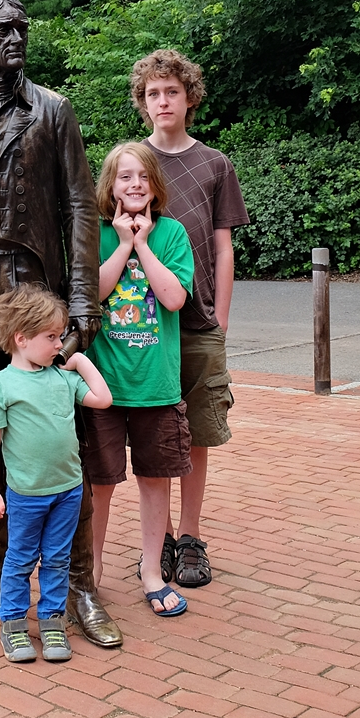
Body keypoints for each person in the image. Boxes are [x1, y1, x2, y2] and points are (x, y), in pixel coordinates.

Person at [0, 0, 122, 647]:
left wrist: (82, 303)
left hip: (31, 283)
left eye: (22, 29)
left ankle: (79, 585)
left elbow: (79, 208)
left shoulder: (54, 110)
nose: (17, 38)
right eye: (3, 30)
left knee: (60, 430)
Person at [132, 49, 249, 588]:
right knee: (154, 433)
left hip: (199, 324)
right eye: (153, 93)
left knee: (197, 432)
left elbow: (223, 248)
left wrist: (220, 318)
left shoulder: (214, 165)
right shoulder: (133, 164)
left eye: (171, 91)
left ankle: (191, 537)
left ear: (189, 97)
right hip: (144, 325)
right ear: (143, 102)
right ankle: (155, 543)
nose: (163, 101)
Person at [84, 143, 195, 616]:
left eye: (142, 177)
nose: (134, 185)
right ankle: (90, 573)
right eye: (124, 177)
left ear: (155, 185)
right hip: (103, 387)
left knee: (156, 480)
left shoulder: (172, 233)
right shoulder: (95, 235)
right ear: (109, 186)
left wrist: (144, 244)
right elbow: (94, 292)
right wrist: (124, 242)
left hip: (156, 384)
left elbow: (173, 298)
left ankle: (152, 570)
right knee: (98, 483)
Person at [0, 286, 112, 662]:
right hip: (26, 493)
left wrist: (82, 364)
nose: (59, 344)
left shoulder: (63, 379)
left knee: (57, 558)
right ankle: (14, 624)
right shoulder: (1, 386)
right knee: (19, 559)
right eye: (51, 337)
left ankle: (52, 620)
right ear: (21, 339)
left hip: (68, 491)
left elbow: (103, 400)